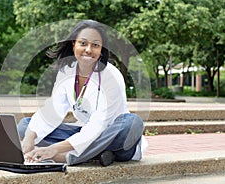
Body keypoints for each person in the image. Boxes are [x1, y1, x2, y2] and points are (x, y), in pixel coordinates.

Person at [17, 20, 148, 166]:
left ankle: (66, 157)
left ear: (101, 49)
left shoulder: (111, 76)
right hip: (87, 136)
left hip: (113, 138)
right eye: (83, 43)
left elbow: (99, 126)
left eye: (95, 45)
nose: (88, 49)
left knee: (132, 122)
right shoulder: (66, 70)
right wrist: (30, 136)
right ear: (74, 44)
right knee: (26, 126)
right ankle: (98, 156)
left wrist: (53, 150)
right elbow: (53, 110)